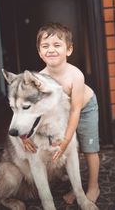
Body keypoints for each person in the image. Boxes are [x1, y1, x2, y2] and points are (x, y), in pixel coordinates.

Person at [22, 22, 100, 204]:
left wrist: (65, 141)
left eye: (57, 45)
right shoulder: (38, 79)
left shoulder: (75, 75)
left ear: (69, 50)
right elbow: (29, 107)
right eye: (45, 46)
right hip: (62, 113)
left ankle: (93, 187)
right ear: (40, 52)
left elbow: (75, 110)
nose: (51, 50)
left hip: (84, 108)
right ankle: (76, 187)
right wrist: (24, 136)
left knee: (89, 148)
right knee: (74, 150)